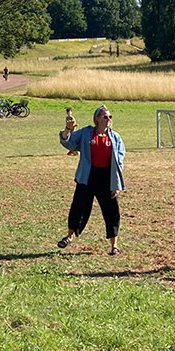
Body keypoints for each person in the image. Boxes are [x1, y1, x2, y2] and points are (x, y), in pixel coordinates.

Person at [58, 105, 125, 255]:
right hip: (87, 176)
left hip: (107, 177)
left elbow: (119, 161)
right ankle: (69, 237)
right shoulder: (86, 133)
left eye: (110, 117)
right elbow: (68, 142)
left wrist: (116, 183)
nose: (108, 119)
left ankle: (114, 246)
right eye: (105, 117)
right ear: (97, 119)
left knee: (112, 211)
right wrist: (67, 129)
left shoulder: (115, 137)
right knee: (78, 207)